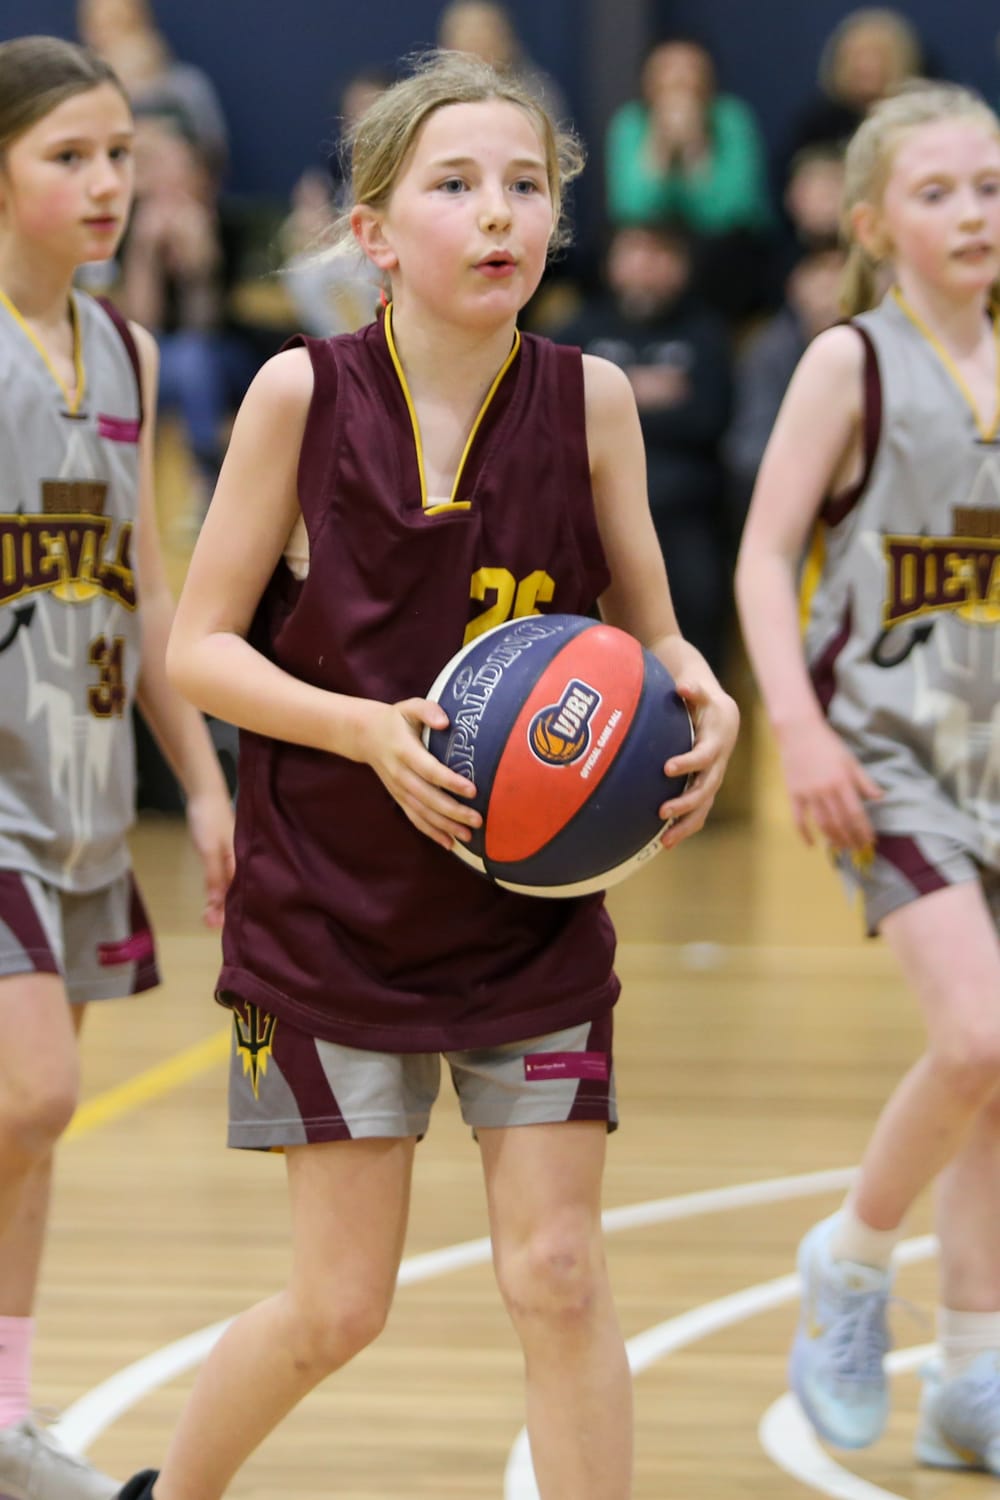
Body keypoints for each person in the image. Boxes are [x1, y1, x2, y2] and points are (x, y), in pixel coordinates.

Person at [113, 47, 739, 1500]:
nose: (499, 213)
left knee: (562, 1270)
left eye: (526, 185)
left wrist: (697, 691)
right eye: (455, 185)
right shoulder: (298, 394)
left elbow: (652, 631)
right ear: (378, 234)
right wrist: (361, 729)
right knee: (341, 1308)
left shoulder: (591, 404)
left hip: (527, 918)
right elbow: (200, 650)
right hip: (328, 915)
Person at [735, 81, 1000, 1470]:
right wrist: (804, 727)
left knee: (998, 1081)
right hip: (888, 757)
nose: (971, 214)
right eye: (940, 191)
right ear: (877, 221)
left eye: (990, 188)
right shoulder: (855, 361)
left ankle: (969, 1373)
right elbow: (765, 556)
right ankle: (848, 1259)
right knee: (976, 1039)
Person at [0, 34, 234, 1500]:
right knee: (27, 1093)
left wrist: (202, 783)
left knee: (38, 1115)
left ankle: (7, 1422)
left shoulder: (129, 353)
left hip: (77, 790)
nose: (106, 184)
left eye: (118, 156)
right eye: (67, 157)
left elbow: (149, 588)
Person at [558, 220, 733, 675]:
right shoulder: (578, 327)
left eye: (659, 255)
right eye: (634, 253)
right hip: (587, 511)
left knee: (699, 596)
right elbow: (559, 421)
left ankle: (700, 706)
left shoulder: (706, 332)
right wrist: (648, 391)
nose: (645, 266)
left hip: (683, 509)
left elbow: (708, 419)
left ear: (681, 267)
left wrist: (614, 398)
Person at [604, 35, 773, 322]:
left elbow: (730, 212)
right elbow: (630, 209)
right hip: (658, 239)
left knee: (725, 254)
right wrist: (661, 149)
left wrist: (696, 148)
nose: (680, 83)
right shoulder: (631, 123)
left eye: (690, 71)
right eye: (668, 71)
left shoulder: (731, 120)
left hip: (720, 251)